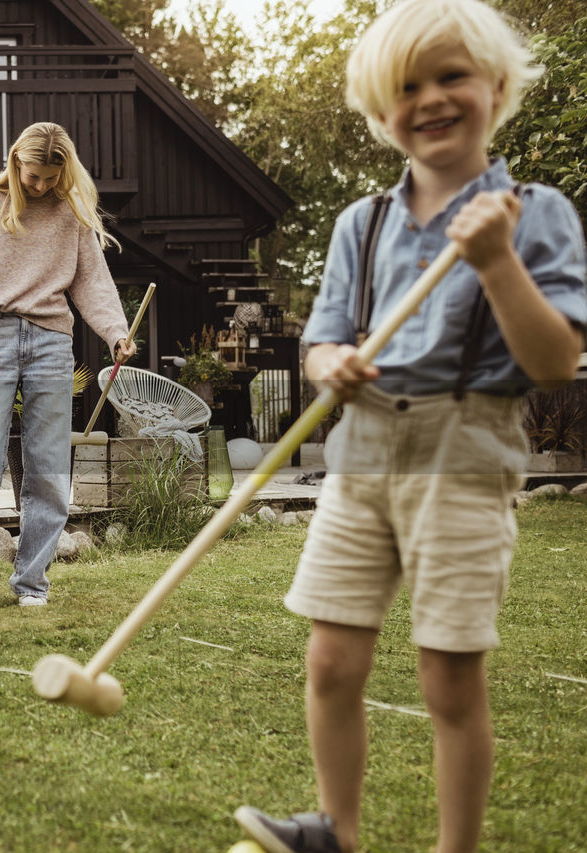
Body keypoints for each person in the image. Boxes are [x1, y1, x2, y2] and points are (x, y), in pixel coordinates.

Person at [234, 2, 586, 851]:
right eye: (407, 87)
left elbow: (555, 361)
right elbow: (322, 339)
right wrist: (329, 366)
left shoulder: (535, 213)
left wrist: (497, 261)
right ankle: (336, 831)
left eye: (451, 77)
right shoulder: (366, 222)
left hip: (465, 448)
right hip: (362, 451)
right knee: (330, 660)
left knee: (448, 674)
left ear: (496, 89)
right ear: (381, 113)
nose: (430, 99)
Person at [0, 122, 136, 608]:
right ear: (17, 160)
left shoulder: (71, 211)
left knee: (48, 465)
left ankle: (32, 582)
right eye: (32, 175)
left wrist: (115, 331)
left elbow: (92, 283)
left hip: (50, 343)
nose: (39, 186)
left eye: (49, 179)